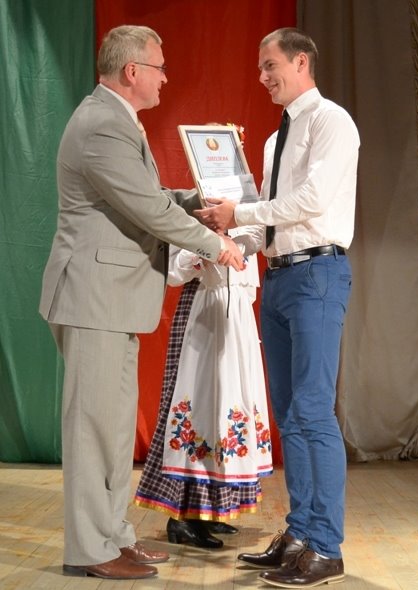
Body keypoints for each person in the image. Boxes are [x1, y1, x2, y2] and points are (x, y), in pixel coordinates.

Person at [39, 25, 244, 581]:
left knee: (111, 431)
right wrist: (215, 244)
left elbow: (147, 197)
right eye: (159, 67)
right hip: (93, 299)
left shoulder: (116, 120)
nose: (165, 78)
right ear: (133, 71)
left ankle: (115, 537)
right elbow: (147, 210)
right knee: (92, 431)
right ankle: (89, 549)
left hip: (111, 301)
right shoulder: (102, 124)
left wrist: (198, 200)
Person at [196, 27, 360, 588]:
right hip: (281, 277)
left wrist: (238, 214)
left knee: (313, 410)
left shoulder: (332, 122)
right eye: (261, 67)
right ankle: (300, 533)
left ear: (301, 61)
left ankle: (327, 548)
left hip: (318, 274)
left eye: (271, 65)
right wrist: (224, 235)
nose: (263, 76)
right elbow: (268, 223)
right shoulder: (273, 141)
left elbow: (311, 200)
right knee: (289, 413)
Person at [135, 225, 273, 549]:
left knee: (226, 410)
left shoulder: (248, 212)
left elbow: (254, 248)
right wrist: (209, 246)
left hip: (236, 313)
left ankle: (211, 508)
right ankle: (184, 517)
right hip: (204, 310)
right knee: (199, 408)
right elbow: (174, 270)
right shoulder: (193, 216)